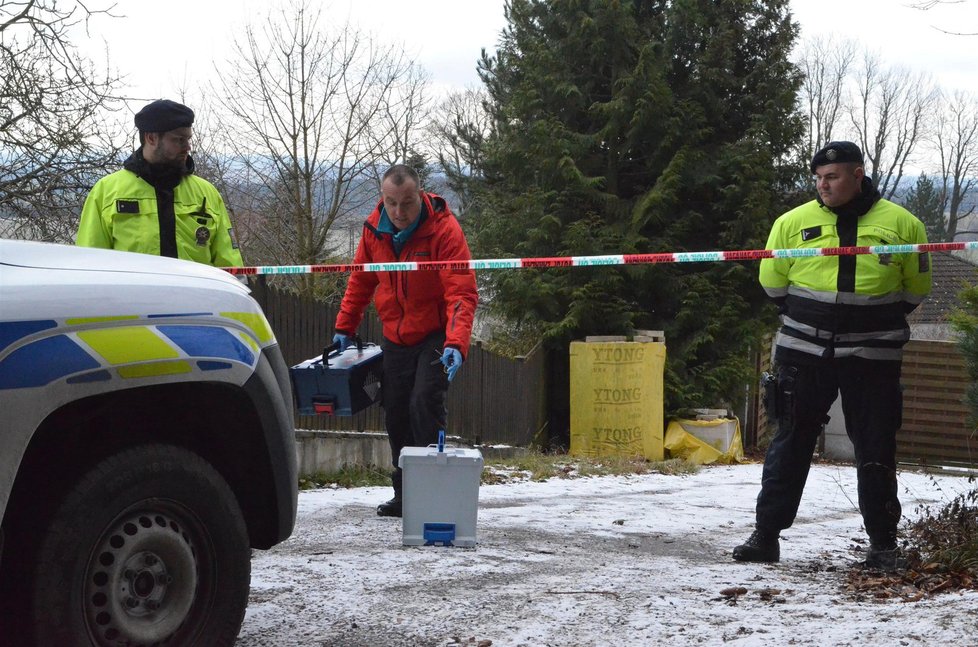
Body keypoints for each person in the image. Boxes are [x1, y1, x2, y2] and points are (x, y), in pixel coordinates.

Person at [734, 141, 932, 571]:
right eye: (818, 179)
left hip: (873, 355)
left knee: (876, 444)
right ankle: (765, 536)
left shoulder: (905, 225)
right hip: (803, 351)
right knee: (789, 441)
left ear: (858, 174)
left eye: (833, 177)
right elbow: (773, 285)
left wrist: (865, 322)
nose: (823, 186)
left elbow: (915, 290)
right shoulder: (790, 224)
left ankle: (883, 545)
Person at [333, 164, 478, 517]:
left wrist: (455, 343)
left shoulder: (444, 230)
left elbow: (461, 291)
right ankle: (404, 495)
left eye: (407, 203)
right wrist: (344, 326)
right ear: (382, 199)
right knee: (396, 413)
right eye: (391, 203)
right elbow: (360, 282)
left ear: (421, 196)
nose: (399, 212)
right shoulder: (372, 230)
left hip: (435, 333)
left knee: (423, 404)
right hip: (395, 336)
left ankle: (431, 497)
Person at [76, 99, 243, 267]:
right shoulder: (107, 191)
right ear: (151, 138)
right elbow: (90, 264)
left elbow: (230, 265)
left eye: (188, 139)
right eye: (179, 139)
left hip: (194, 294)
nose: (188, 146)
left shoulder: (206, 193)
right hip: (131, 294)